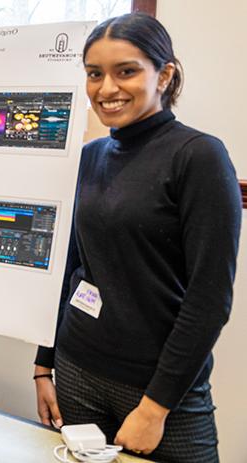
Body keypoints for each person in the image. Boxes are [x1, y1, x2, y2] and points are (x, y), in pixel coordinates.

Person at [33, 13, 240, 462]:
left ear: (164, 75)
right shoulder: (91, 156)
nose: (107, 89)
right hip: (77, 371)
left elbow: (209, 300)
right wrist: (43, 364)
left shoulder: (199, 156)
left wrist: (155, 407)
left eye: (125, 71)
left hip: (160, 389)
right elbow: (67, 269)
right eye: (94, 74)